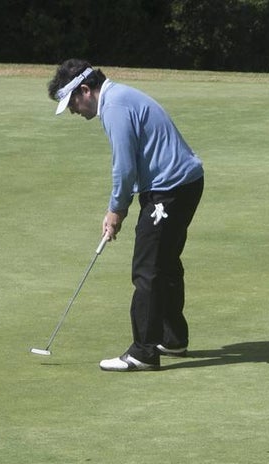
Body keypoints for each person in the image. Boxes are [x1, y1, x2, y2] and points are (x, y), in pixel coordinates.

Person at [48, 60, 205, 372]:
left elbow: (124, 167)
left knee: (147, 267)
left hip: (170, 188)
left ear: (85, 90)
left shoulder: (114, 106)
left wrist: (116, 209)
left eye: (73, 103)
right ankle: (172, 338)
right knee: (165, 262)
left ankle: (144, 352)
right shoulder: (118, 97)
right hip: (183, 183)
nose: (73, 111)